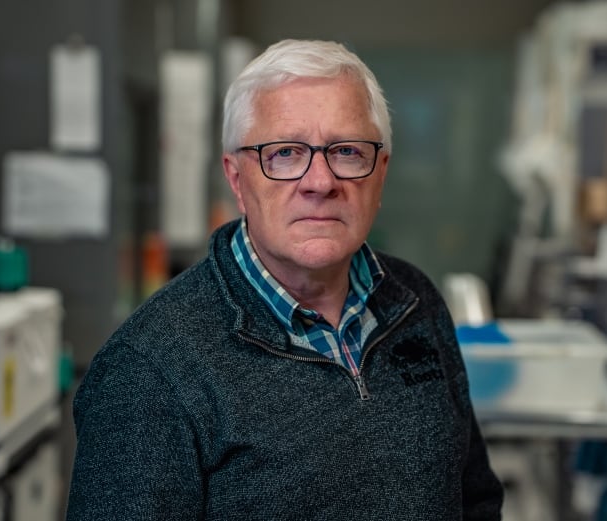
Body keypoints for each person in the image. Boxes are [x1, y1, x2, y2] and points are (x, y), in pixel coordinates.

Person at [66, 39, 503, 520]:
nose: (320, 182)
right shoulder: (149, 370)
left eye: (348, 151)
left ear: (381, 174)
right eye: (286, 153)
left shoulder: (416, 301)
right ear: (237, 179)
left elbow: (475, 499)